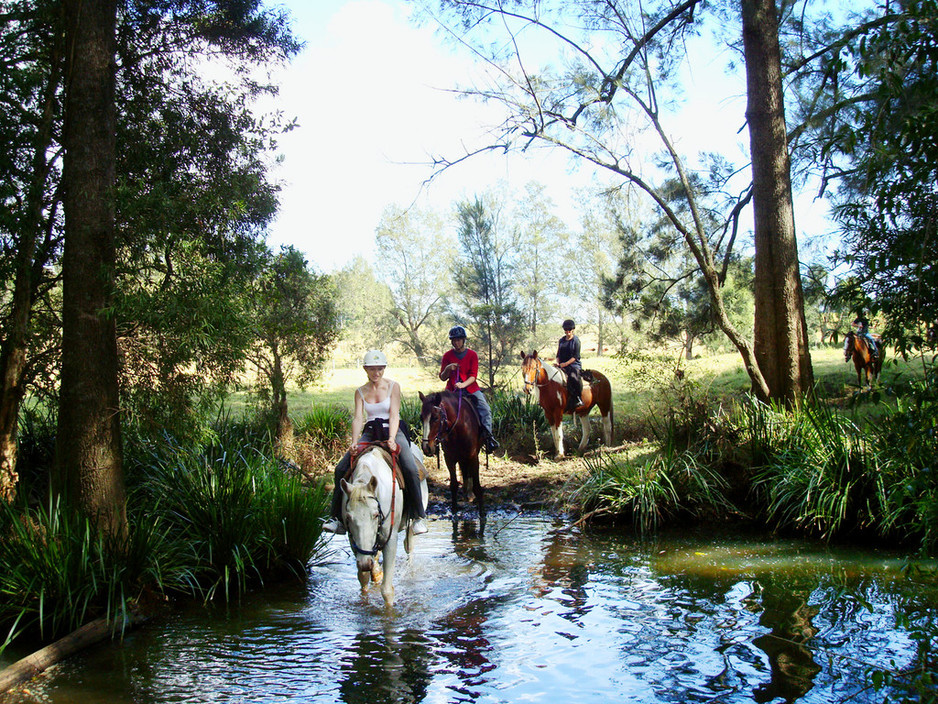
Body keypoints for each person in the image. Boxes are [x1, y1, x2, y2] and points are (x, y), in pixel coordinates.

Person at [323, 349, 427, 535]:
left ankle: (418, 517)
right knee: (341, 468)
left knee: (410, 468)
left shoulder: (393, 386)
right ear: (365, 369)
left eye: (380, 369)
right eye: (372, 369)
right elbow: (357, 419)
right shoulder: (360, 392)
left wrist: (393, 439)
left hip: (392, 429)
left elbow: (394, 415)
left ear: (384, 369)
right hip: (371, 431)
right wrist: (354, 442)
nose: (376, 373)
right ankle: (336, 519)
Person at [439, 325, 499, 452]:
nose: (456, 342)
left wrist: (463, 384)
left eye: (459, 340)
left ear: (464, 340)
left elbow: (473, 376)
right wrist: (448, 368)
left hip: (470, 388)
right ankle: (438, 439)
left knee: (485, 409)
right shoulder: (447, 356)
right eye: (454, 340)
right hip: (451, 390)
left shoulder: (472, 355)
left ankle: (488, 437)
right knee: (438, 410)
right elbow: (443, 377)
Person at [555, 319, 582, 412]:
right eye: (566, 330)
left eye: (569, 330)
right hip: (561, 364)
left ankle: (578, 398)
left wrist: (565, 364)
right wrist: (558, 363)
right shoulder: (561, 340)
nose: (568, 332)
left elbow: (576, 356)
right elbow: (558, 354)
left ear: (573, 330)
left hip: (573, 365)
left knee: (574, 377)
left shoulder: (576, 341)